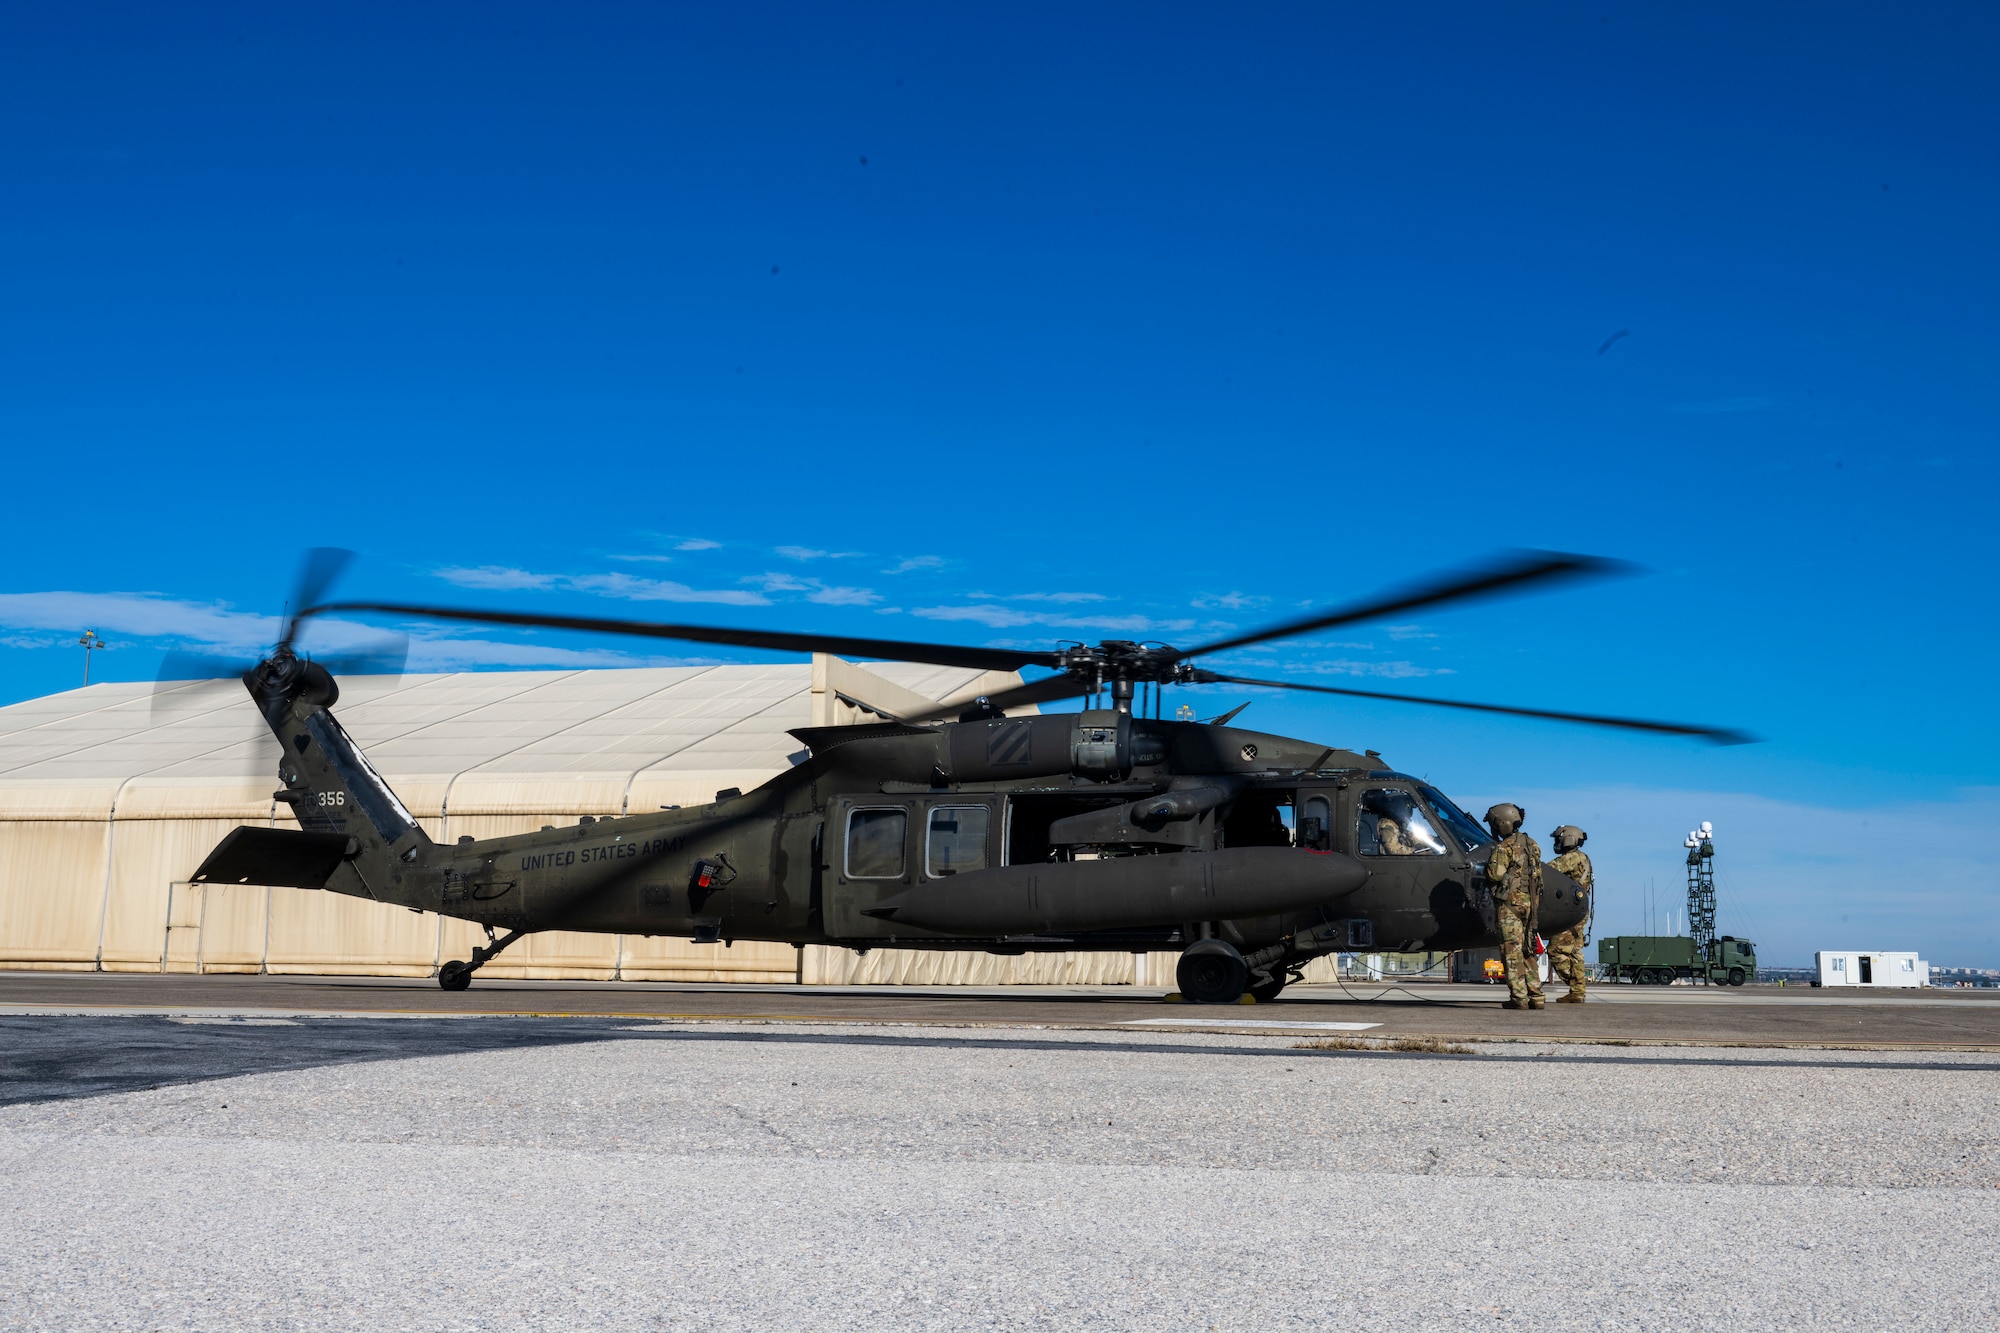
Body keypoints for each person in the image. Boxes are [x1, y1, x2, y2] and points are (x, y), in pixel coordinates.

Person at [1483, 803, 1544, 1010]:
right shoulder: (1532, 844)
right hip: (1531, 904)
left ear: (1503, 824)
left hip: (1510, 905)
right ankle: (1536, 996)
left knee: (1511, 951)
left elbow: (1495, 874)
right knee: (1528, 950)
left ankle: (1519, 997)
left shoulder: (1504, 848)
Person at [1547, 825, 1593, 1004]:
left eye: (1558, 839)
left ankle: (1576, 985)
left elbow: (1545, 871)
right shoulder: (1584, 858)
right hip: (1580, 911)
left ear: (1567, 839)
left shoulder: (1570, 859)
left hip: (1568, 911)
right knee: (1575, 951)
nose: (1557, 842)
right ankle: (1578, 992)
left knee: (1556, 950)